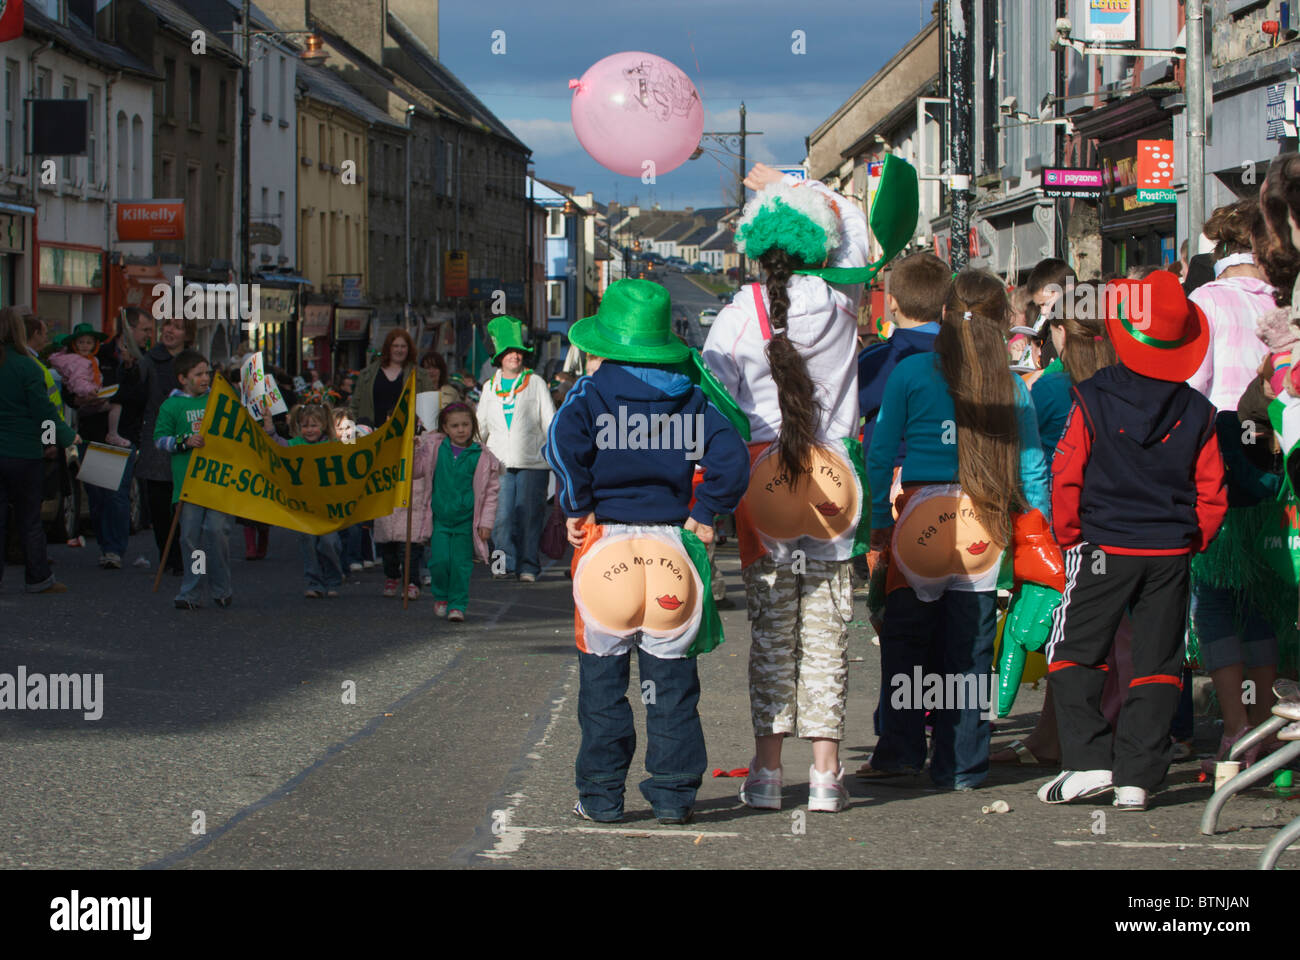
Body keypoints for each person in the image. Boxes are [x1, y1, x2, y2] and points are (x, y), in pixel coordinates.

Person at [545, 278, 749, 824]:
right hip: (671, 553)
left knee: (603, 687)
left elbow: (560, 445)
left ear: (605, 344)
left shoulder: (590, 394)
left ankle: (601, 797)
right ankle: (675, 795)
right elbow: (732, 457)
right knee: (673, 687)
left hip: (607, 548)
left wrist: (576, 506)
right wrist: (706, 514)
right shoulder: (690, 399)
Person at [702, 161, 871, 812]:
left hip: (764, 479)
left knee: (773, 629)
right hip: (835, 478)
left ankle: (769, 774)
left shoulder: (737, 314)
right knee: (830, 626)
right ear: (817, 245)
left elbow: (717, 400)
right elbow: (855, 227)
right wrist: (801, 182)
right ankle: (827, 774)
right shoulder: (841, 302)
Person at [1039, 271, 1227, 810]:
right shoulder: (1199, 411)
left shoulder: (1092, 397)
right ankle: (1138, 777)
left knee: (1073, 651)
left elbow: (1067, 472)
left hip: (1102, 544)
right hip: (1169, 548)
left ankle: (1088, 761)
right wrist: (1194, 541)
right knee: (1158, 661)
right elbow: (1212, 490)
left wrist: (1071, 535)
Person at [864, 271, 1051, 790]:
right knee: (970, 648)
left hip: (922, 513)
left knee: (907, 640)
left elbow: (879, 457)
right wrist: (1037, 529)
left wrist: (879, 520)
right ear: (1000, 324)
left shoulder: (911, 373)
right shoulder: (1009, 384)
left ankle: (900, 751)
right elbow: (1032, 466)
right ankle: (963, 762)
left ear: (944, 315)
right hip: (984, 519)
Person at [991, 283, 1116, 767]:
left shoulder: (1051, 387)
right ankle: (1061, 735)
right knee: (1111, 640)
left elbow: (1028, 458)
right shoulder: (1124, 379)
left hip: (1063, 524)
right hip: (1123, 528)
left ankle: (1060, 740)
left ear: (1061, 332)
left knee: (1063, 636)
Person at [1180, 199, 1281, 771]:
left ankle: (1235, 732)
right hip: (1275, 454)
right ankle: (1270, 727)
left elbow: (1194, 387)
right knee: (1263, 597)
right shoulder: (1282, 300)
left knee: (1217, 600)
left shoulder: (1206, 301)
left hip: (1218, 454)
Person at [0, 306, 78, 593]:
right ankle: (38, 577)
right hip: (23, 453)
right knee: (29, 519)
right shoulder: (27, 367)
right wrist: (63, 437)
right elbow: (43, 412)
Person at [153, 350, 235, 610]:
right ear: (182, 378)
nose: (205, 378)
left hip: (217, 481)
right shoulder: (171, 406)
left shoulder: (218, 400)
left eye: (207, 373)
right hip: (188, 485)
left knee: (216, 531)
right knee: (190, 538)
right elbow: (159, 440)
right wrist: (183, 442)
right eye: (198, 374)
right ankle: (191, 591)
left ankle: (222, 587)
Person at [477, 315, 556, 583]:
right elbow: (480, 427)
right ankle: (505, 561)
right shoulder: (489, 388)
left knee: (529, 516)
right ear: (499, 358)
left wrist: (556, 454)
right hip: (498, 462)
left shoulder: (536, 384)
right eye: (509, 352)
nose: (515, 356)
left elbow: (550, 422)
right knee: (501, 517)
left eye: (519, 352)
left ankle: (528, 566)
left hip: (532, 462)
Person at [81, 308, 154, 570]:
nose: (149, 335)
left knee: (116, 494)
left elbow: (142, 396)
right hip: (94, 432)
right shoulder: (99, 355)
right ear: (129, 330)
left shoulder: (144, 361)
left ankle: (114, 549)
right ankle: (106, 544)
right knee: (98, 497)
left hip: (123, 436)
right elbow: (76, 386)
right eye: (145, 330)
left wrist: (113, 394)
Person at [424, 401, 502, 620]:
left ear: (473, 426)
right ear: (445, 428)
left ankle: (457, 605)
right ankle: (441, 596)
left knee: (460, 566)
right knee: (439, 562)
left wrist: (485, 523)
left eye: (465, 425)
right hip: (440, 519)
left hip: (466, 522)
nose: (460, 430)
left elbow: (490, 493)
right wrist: (413, 451)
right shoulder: (435, 449)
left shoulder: (482, 456)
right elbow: (417, 472)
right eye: (455, 425)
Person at [138, 316, 188, 576]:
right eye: (167, 325)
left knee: (183, 505)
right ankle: (166, 555)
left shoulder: (194, 362)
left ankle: (182, 555)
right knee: (158, 504)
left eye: (177, 327)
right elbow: (135, 395)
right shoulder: (148, 361)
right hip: (157, 439)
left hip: (188, 439)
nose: (170, 330)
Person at [285, 403, 344, 599]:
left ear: (324, 425)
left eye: (314, 425)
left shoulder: (332, 445)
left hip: (328, 506)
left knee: (329, 542)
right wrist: (268, 428)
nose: (309, 430)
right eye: (305, 426)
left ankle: (333, 578)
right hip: (304, 506)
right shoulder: (294, 445)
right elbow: (274, 446)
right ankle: (314, 582)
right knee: (308, 542)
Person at [350, 329, 433, 427]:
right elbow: (355, 406)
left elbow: (430, 408)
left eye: (403, 346)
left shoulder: (420, 375)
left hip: (406, 436)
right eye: (395, 346)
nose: (399, 350)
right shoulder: (367, 374)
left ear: (409, 349)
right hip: (371, 434)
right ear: (388, 348)